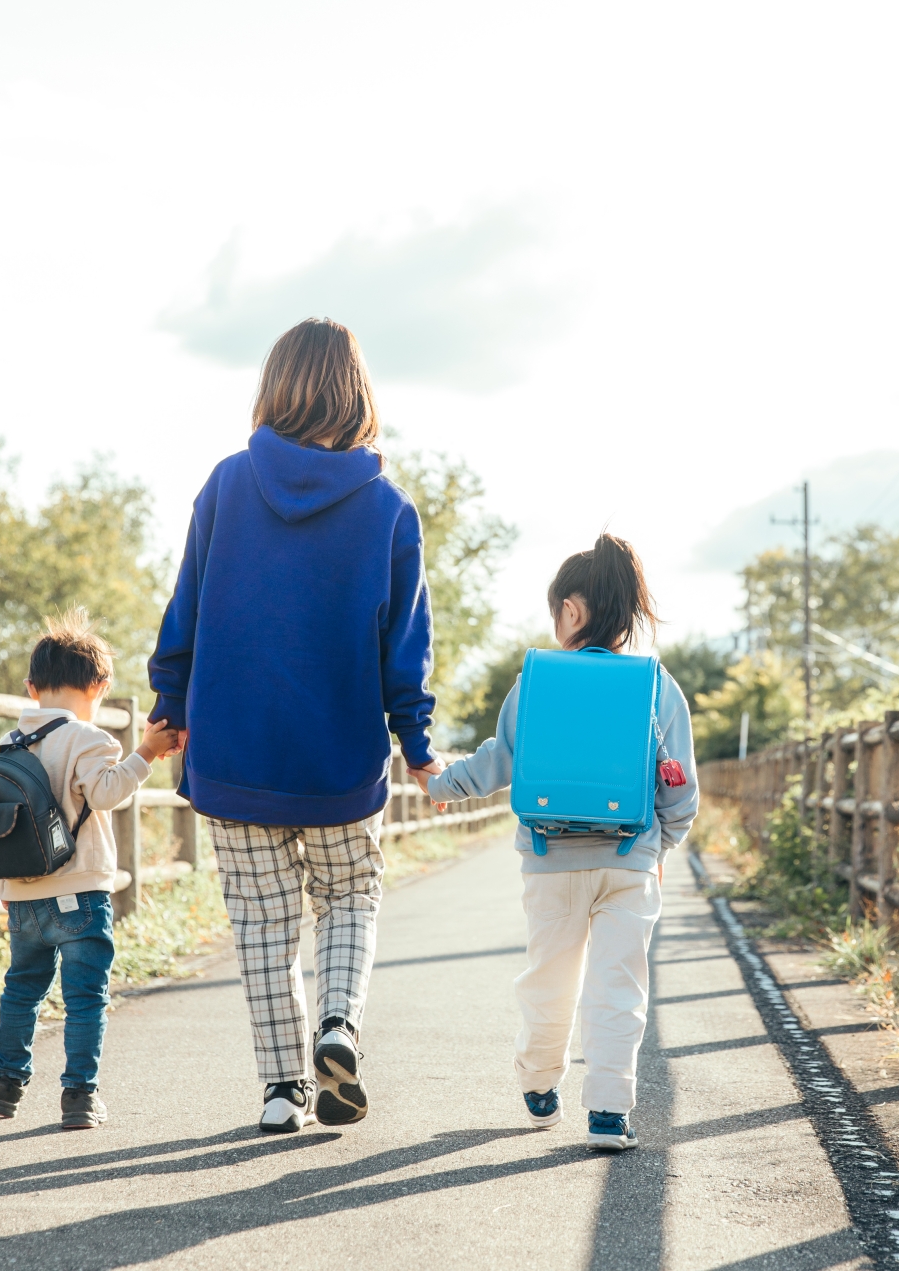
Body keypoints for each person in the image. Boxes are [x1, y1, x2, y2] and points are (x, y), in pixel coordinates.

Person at [148, 318, 440, 1134]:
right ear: (358, 396)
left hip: (234, 751)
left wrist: (169, 704)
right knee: (350, 896)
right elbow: (403, 647)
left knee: (262, 924)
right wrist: (416, 745)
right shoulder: (388, 508)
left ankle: (282, 1092)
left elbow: (188, 608)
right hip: (340, 760)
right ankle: (338, 1023)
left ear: (275, 386)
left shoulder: (226, 485)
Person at [427, 534, 698, 1151]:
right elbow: (677, 781)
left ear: (571, 612)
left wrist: (444, 784)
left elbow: (501, 760)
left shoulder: (535, 684)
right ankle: (608, 1112)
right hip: (630, 861)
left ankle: (540, 1082)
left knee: (549, 978)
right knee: (617, 986)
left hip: (549, 862)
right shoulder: (656, 686)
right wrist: (663, 844)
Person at [0, 609, 184, 1129]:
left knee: (21, 989)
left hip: (23, 896)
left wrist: (6, 885)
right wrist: (145, 752)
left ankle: (6, 1084)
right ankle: (79, 1095)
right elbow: (106, 792)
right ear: (100, 684)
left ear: (32, 687)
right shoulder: (87, 738)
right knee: (85, 998)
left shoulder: (9, 743)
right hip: (80, 893)